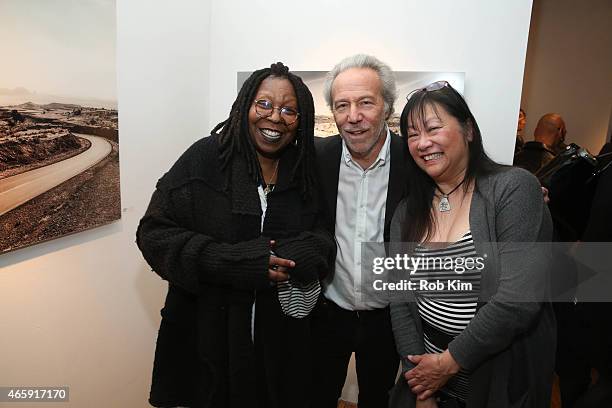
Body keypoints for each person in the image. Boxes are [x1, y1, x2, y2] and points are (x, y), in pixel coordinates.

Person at [136, 62, 335, 408]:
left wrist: (300, 253)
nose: (275, 117)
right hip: (207, 343)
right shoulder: (206, 158)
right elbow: (153, 233)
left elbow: (323, 235)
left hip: (281, 347)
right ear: (245, 107)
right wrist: (233, 262)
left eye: (289, 109)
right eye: (264, 104)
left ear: (301, 120)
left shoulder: (303, 169)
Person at [388, 81, 555, 408]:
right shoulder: (407, 212)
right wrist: (423, 387)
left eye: (434, 128)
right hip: (427, 373)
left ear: (468, 130)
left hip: (493, 371)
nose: (423, 143)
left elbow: (518, 299)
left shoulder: (511, 189)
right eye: (411, 134)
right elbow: (400, 300)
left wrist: (447, 365)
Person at [310, 54, 409, 408]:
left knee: (377, 399)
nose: (353, 116)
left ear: (387, 107)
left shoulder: (413, 161)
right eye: (342, 105)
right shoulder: (316, 157)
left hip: (387, 317)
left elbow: (462, 171)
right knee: (317, 394)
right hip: (328, 310)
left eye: (366, 102)